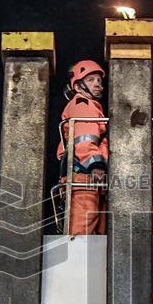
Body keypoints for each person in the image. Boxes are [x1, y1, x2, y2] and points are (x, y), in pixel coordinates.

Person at [58, 60, 108, 235]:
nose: (97, 84)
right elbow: (84, 140)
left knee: (94, 237)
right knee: (80, 235)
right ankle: (75, 263)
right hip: (85, 179)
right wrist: (96, 165)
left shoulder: (92, 107)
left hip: (87, 180)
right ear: (78, 87)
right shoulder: (83, 105)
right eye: (91, 80)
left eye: (99, 81)